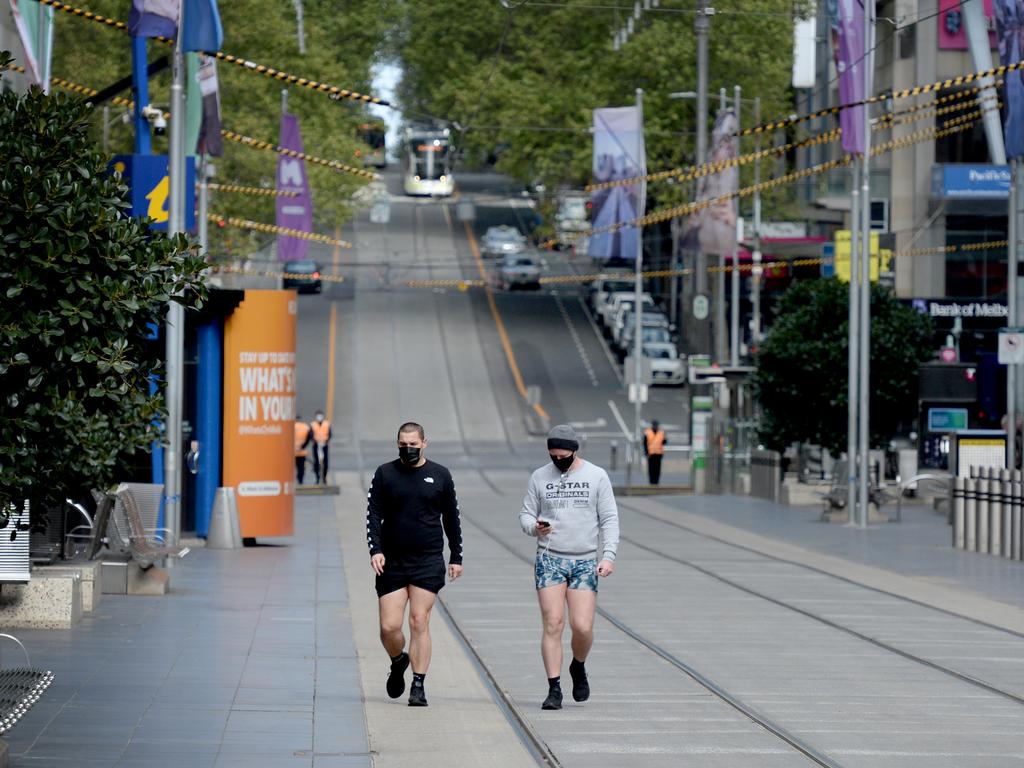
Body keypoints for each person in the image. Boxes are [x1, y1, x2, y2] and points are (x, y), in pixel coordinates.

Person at [520, 424, 619, 711]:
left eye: (563, 455)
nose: (558, 460)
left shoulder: (596, 476)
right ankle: (554, 688)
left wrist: (608, 555)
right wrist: (533, 527)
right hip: (550, 557)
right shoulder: (540, 477)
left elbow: (609, 518)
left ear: (575, 451)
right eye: (553, 455)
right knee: (553, 623)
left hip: (585, 559)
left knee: (582, 626)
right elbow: (526, 512)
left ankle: (578, 665)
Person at [366, 422, 463, 707]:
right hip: (393, 560)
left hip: (427, 559)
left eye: (413, 444)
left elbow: (452, 519)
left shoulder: (440, 475)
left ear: (424, 443)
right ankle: (399, 661)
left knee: (419, 620)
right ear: (397, 444)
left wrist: (456, 557)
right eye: (402, 444)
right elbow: (372, 513)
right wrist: (376, 549)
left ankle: (418, 684)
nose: (408, 448)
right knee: (389, 627)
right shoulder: (385, 473)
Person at [310, 410, 332, 485]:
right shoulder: (313, 424)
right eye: (318, 415)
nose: (319, 417)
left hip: (324, 445)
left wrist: (326, 441)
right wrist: (315, 440)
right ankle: (317, 477)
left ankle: (324, 477)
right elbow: (311, 434)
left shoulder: (326, 424)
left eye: (320, 415)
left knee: (325, 462)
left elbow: (330, 434)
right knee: (316, 462)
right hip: (316, 445)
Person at [643, 420, 667, 485]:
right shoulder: (648, 432)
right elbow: (645, 443)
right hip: (651, 454)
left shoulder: (661, 433)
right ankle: (651, 481)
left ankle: (656, 481)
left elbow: (664, 442)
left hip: (659, 454)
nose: (656, 426)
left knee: (657, 469)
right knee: (651, 469)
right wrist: (646, 452)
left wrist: (665, 437)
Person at [294, 416, 312, 485]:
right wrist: (302, 446)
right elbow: (309, 437)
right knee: (301, 468)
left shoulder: (290, 426)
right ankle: (300, 481)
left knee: (294, 469)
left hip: (293, 452)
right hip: (302, 451)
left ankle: (296, 481)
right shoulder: (305, 427)